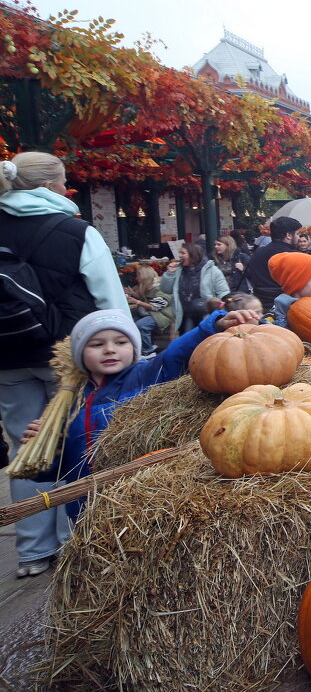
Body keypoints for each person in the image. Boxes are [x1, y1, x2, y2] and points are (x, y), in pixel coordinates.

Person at [0, 151, 125, 578]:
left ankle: (33, 551)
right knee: (74, 441)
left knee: (25, 446)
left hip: (8, 354)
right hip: (69, 356)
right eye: (64, 181)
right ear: (51, 186)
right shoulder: (75, 231)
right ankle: (72, 540)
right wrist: (123, 347)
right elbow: (109, 298)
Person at [21, 306, 260, 523]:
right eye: (97, 344)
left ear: (134, 347)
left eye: (121, 342)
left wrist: (214, 325)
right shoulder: (68, 402)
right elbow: (61, 468)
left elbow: (175, 354)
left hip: (132, 503)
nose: (110, 349)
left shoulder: (145, 376)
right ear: (79, 353)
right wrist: (43, 448)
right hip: (83, 508)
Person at [160, 242, 230, 334]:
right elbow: (165, 289)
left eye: (183, 253)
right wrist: (169, 274)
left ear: (193, 255)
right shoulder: (178, 271)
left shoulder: (212, 271)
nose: (180, 255)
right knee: (187, 338)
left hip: (205, 315)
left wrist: (218, 309)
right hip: (184, 315)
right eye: (179, 253)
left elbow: (223, 292)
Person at [243, 216, 301, 305]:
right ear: (288, 235)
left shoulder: (258, 252)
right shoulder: (295, 256)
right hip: (286, 305)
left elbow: (250, 275)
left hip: (260, 304)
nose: (299, 238)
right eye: (297, 234)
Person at [126, 265, 173, 358]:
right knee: (132, 321)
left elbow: (155, 306)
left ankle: (147, 350)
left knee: (141, 325)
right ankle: (145, 345)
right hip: (154, 314)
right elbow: (148, 299)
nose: (136, 278)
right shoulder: (150, 287)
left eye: (138, 276)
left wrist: (136, 302)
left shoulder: (160, 288)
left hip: (162, 315)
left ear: (144, 276)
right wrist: (133, 294)